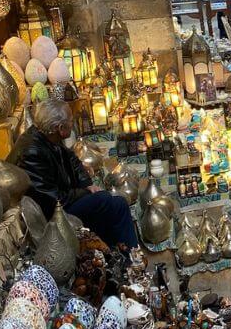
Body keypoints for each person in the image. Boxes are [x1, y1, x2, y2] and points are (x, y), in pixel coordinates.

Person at [10, 99, 138, 250]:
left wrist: (87, 184)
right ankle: (129, 256)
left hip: (62, 198)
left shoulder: (48, 134)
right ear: (60, 128)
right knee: (107, 201)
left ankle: (123, 254)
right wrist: (84, 192)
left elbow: (72, 159)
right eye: (71, 121)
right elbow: (53, 200)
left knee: (115, 204)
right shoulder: (32, 151)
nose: (73, 123)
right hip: (52, 212)